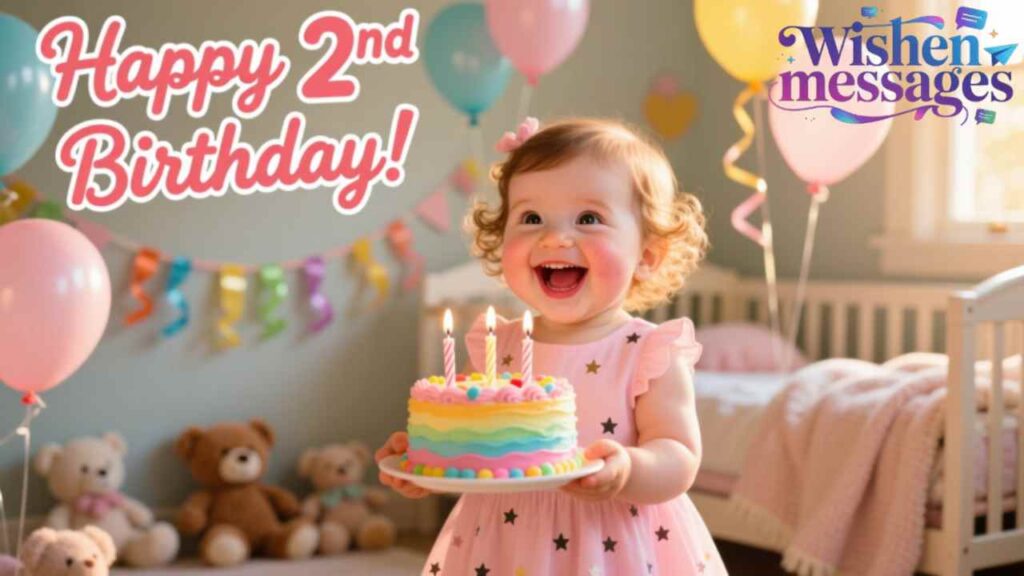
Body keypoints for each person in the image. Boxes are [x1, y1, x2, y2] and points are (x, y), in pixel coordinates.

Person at [377, 117, 726, 575]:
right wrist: (424, 461)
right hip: (502, 541)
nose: (554, 237)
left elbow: (678, 456)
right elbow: (469, 446)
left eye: (588, 219)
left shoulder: (647, 351)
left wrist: (627, 469)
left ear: (646, 255)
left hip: (611, 541)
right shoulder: (494, 346)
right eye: (531, 217)